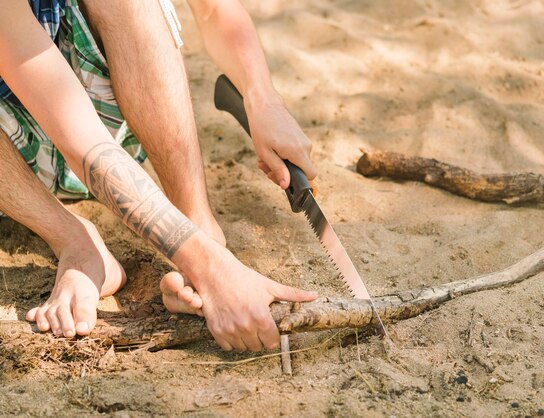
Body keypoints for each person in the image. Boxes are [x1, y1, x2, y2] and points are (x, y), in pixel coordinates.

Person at [0, 0, 319, 352]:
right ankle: (73, 239)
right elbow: (82, 145)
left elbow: (214, 10)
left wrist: (263, 100)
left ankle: (200, 225)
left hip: (100, 111)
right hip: (17, 167)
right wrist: (210, 270)